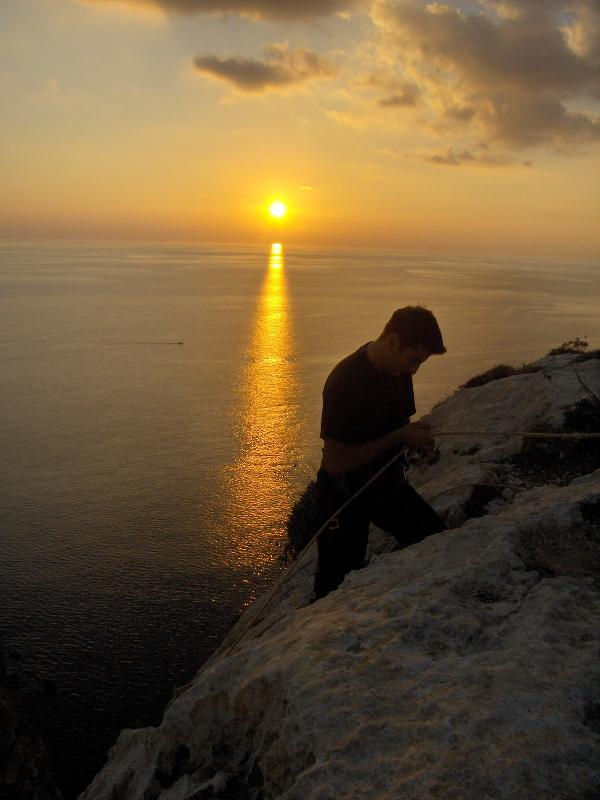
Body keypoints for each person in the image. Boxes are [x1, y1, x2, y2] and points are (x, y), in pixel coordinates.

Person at [313, 305, 447, 599]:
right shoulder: (344, 382)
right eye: (413, 359)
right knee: (334, 587)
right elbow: (335, 463)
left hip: (385, 483)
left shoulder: (398, 370)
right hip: (344, 495)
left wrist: (415, 442)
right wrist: (399, 436)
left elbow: (400, 424)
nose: (414, 369)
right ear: (392, 342)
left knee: (435, 539)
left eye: (420, 363)